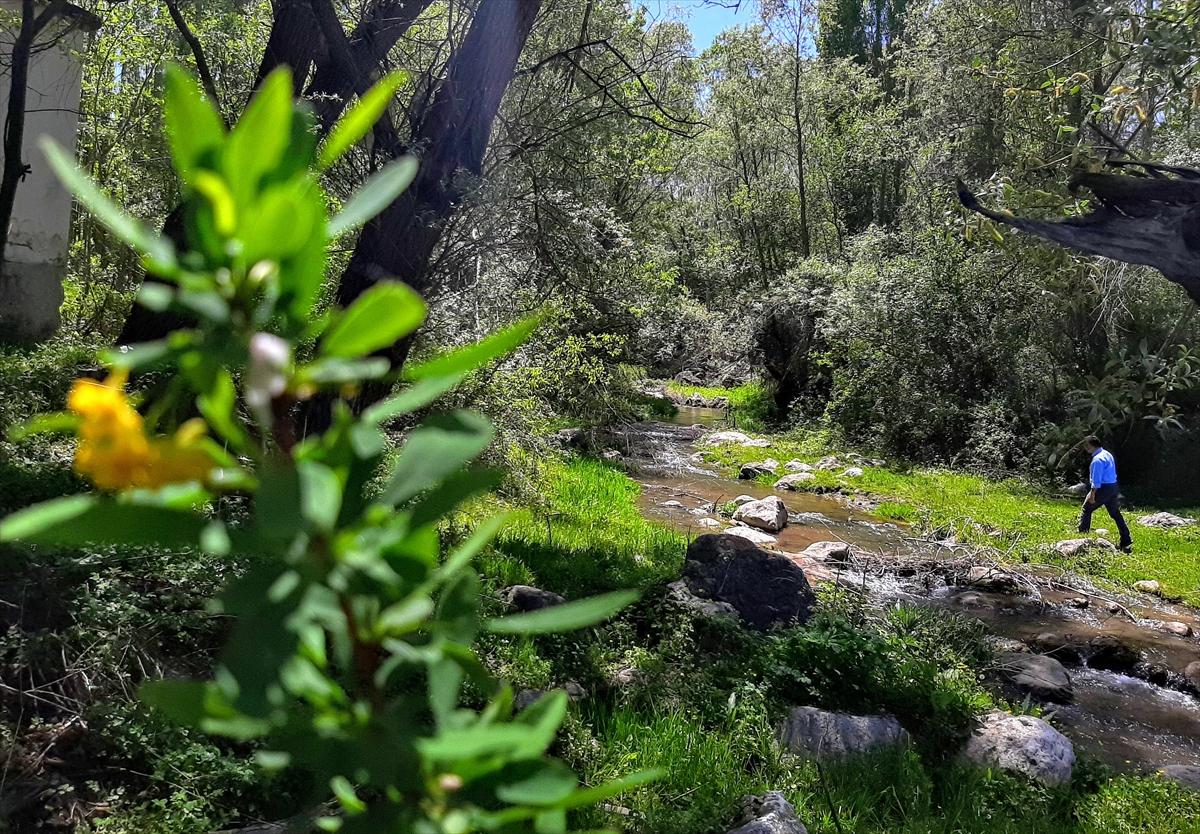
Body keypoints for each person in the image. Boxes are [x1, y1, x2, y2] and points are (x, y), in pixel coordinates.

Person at [1078, 435, 1132, 552]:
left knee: (1087, 509)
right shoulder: (1107, 454)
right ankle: (1126, 539)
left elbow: (1096, 480)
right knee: (1115, 514)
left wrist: (1092, 495)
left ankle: (1082, 538)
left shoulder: (1097, 460)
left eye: (1086, 446)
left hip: (1102, 488)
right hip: (1113, 486)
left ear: (1089, 446)